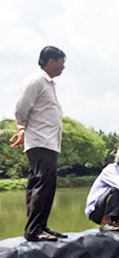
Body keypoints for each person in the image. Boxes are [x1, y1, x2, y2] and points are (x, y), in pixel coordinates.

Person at [11, 46, 68, 242]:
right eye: (61, 63)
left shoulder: (49, 84)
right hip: (40, 141)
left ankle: (40, 226)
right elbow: (21, 108)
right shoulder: (35, 81)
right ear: (51, 61)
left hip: (49, 142)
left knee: (43, 184)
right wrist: (22, 128)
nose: (63, 67)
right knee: (43, 184)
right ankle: (34, 230)